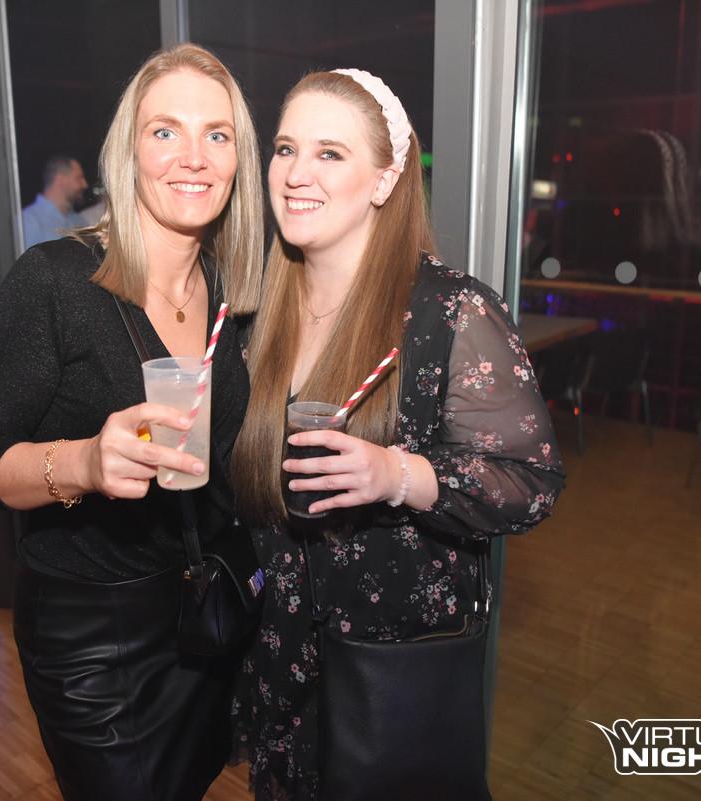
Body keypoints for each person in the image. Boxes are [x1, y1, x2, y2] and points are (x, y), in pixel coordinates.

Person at [227, 69, 565, 800]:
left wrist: (398, 475)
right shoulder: (257, 316)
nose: (296, 173)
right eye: (285, 149)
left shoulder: (451, 312)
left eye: (330, 153)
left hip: (392, 683)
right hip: (280, 668)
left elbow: (532, 482)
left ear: (384, 180)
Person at [0, 43, 264, 801]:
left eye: (217, 134)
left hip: (201, 614)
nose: (193, 156)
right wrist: (85, 462)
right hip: (92, 637)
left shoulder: (233, 293)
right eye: (165, 131)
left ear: (237, 160)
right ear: (128, 151)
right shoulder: (56, 281)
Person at [21, 154, 89, 248]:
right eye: (78, 178)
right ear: (61, 180)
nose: (85, 184)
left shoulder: (78, 220)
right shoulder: (28, 221)